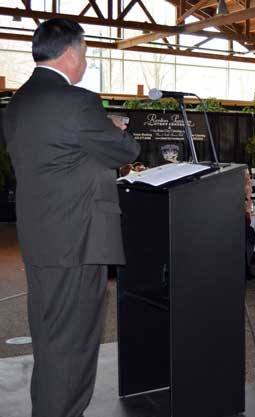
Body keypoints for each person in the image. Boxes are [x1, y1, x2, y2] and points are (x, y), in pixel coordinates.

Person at [2, 19, 140, 417]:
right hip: (77, 242)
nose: (85, 61)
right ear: (70, 54)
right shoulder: (77, 102)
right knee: (74, 349)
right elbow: (126, 150)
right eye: (85, 53)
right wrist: (110, 126)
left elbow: (61, 154)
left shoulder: (20, 102)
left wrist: (100, 129)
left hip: (42, 239)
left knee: (51, 345)